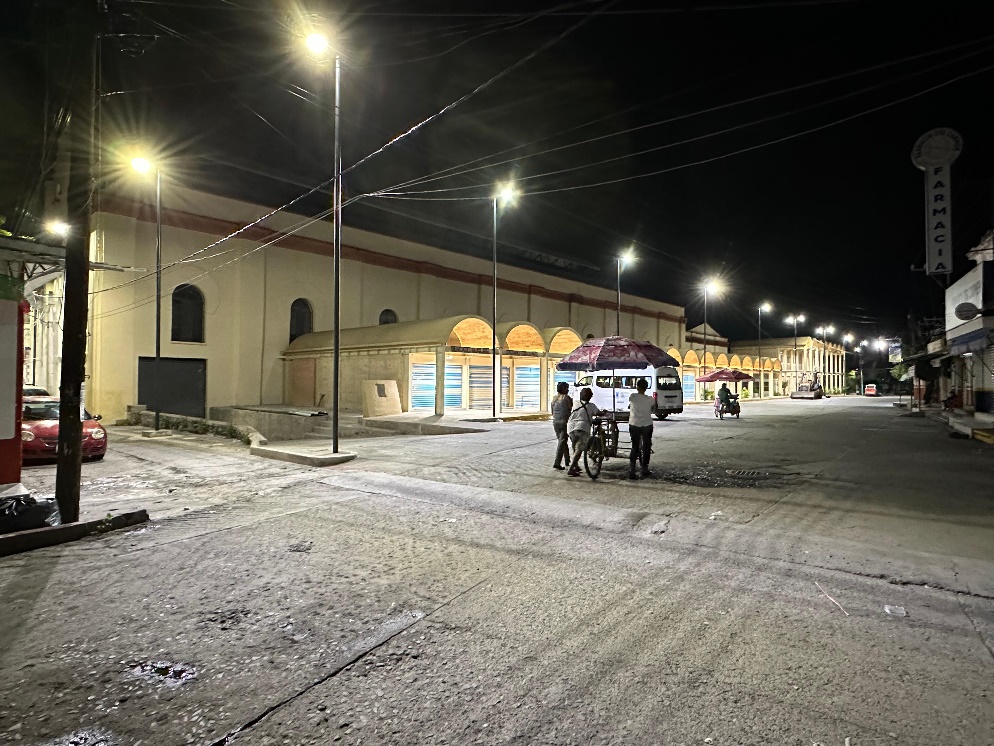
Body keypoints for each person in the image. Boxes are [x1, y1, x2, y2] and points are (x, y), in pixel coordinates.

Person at [566, 387, 600, 476]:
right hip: (582, 428)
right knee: (579, 449)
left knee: (575, 446)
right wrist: (604, 412)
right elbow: (598, 413)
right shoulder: (591, 406)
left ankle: (575, 466)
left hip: (570, 427)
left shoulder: (576, 403)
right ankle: (571, 468)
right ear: (590, 397)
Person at [628, 378, 654, 479]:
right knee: (646, 446)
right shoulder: (650, 399)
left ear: (637, 387)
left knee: (635, 446)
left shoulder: (632, 397)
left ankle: (632, 469)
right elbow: (653, 407)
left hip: (634, 424)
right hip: (647, 424)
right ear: (646, 388)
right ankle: (644, 468)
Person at [550, 381, 573, 470]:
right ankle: (557, 462)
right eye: (566, 388)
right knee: (562, 442)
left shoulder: (554, 398)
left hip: (555, 422)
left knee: (562, 441)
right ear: (563, 389)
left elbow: (552, 411)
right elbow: (571, 409)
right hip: (564, 422)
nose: (568, 390)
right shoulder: (567, 398)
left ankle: (567, 460)